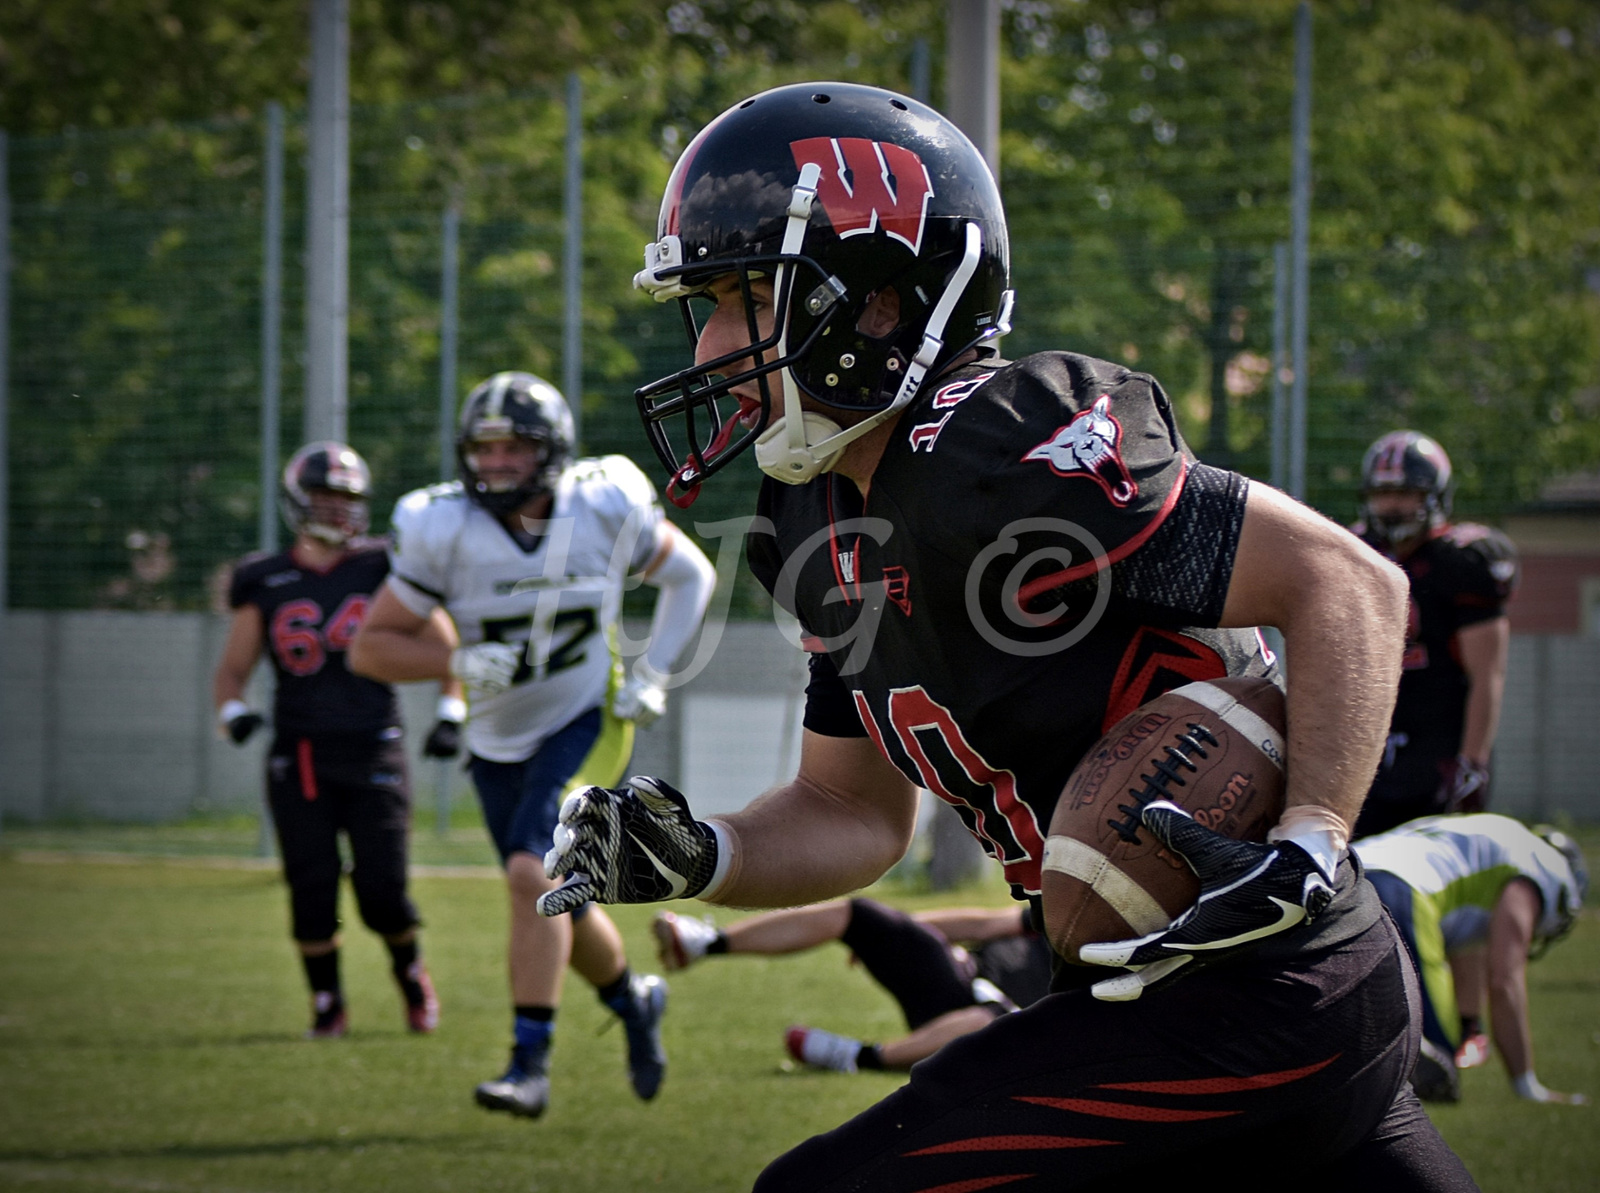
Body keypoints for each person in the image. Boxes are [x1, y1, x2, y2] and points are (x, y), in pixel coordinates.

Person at [538, 82, 1480, 1191]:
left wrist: (1312, 837)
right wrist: (708, 852)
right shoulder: (808, 521)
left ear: (883, 304)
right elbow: (851, 811)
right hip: (1140, 990)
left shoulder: (1001, 441)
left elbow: (1348, 580)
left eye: (745, 294)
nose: (709, 339)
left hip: (1262, 985)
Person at [348, 371, 716, 1120]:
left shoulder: (602, 502)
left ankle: (529, 1064)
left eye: (515, 447)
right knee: (550, 892)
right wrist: (449, 661)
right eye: (485, 448)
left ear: (550, 450)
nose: (497, 463)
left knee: (529, 867)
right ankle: (633, 998)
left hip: (585, 718)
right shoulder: (440, 525)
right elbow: (371, 648)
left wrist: (652, 674)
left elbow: (691, 573)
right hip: (495, 739)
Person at [213, 441, 445, 1039]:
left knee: (382, 890)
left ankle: (410, 972)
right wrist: (234, 711)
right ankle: (326, 1003)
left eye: (346, 499)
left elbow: (447, 647)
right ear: (297, 502)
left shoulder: (385, 565)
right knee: (311, 884)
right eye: (324, 497)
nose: (338, 511)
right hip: (302, 753)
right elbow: (231, 670)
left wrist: (452, 710)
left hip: (375, 745)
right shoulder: (265, 578)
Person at [654, 900, 1052, 1072]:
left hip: (998, 1023)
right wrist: (902, 932)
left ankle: (857, 1056)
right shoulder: (1059, 911)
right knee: (861, 916)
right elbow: (983, 925)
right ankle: (705, 944)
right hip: (956, 978)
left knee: (991, 1019)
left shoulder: (1107, 966)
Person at [1354, 814, 1589, 1105]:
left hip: (1348, 875)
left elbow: (1467, 951)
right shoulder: (1540, 868)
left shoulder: (1497, 840)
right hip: (1399, 891)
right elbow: (1504, 980)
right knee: (1439, 1065)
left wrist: (1468, 1024)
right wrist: (1525, 1083)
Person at [1352, 431, 1519, 838]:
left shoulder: (1462, 562)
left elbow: (1488, 674)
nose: (1392, 507)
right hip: (1371, 738)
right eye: (1382, 494)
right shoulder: (1355, 552)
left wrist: (1473, 762)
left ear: (1435, 495)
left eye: (1406, 493)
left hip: (1439, 742)